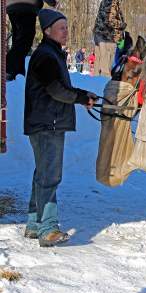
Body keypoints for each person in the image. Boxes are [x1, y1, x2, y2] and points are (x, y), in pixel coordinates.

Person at [23, 9, 96, 247]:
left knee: (42, 173)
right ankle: (48, 229)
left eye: (66, 26)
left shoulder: (51, 54)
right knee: (50, 176)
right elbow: (56, 90)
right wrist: (81, 97)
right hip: (47, 124)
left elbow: (59, 89)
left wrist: (84, 95)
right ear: (47, 31)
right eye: (61, 27)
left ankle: (34, 224)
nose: (66, 31)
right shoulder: (46, 55)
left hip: (45, 122)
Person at [5, 0, 58, 81]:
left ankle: (17, 71)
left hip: (11, 5)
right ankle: (8, 69)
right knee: (26, 38)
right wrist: (52, 2)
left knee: (18, 39)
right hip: (26, 5)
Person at [93, 0, 126, 76]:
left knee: (99, 58)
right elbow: (111, 20)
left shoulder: (105, 2)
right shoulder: (112, 3)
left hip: (99, 33)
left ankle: (95, 79)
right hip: (107, 34)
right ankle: (105, 78)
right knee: (107, 58)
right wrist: (122, 24)